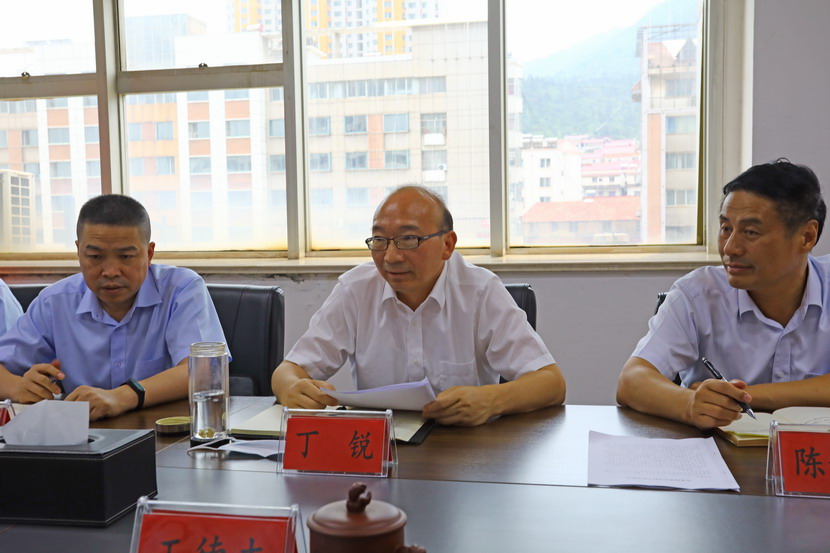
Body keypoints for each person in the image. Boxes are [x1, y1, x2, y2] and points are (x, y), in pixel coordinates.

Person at [272, 185, 566, 426]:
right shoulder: (356, 289)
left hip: (465, 453)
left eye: (408, 239)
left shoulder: (480, 291)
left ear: (447, 245)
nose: (391, 257)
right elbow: (288, 370)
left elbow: (551, 383)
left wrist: (492, 400)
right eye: (380, 240)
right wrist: (291, 389)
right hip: (380, 451)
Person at [616, 159, 830, 429]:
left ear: (807, 236)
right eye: (726, 228)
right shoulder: (698, 293)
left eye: (751, 232)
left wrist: (744, 396)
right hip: (716, 450)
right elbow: (632, 380)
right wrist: (690, 403)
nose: (730, 248)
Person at [0, 195, 227, 420]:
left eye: (126, 256)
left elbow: (206, 370)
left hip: (168, 431)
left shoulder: (181, 289)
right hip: (84, 434)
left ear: (149, 253)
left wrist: (124, 396)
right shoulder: (54, 302)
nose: (110, 271)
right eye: (95, 256)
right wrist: (18, 387)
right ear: (78, 251)